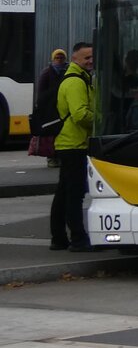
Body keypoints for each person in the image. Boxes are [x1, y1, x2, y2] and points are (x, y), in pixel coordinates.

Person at [49, 41, 98, 252]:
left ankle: (58, 238)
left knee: (64, 193)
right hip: (74, 144)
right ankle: (78, 238)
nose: (90, 61)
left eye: (92, 57)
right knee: (74, 194)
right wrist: (101, 120)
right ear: (75, 58)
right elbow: (80, 115)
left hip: (67, 142)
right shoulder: (76, 82)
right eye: (86, 57)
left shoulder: (78, 78)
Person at [27, 48, 68, 167]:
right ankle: (51, 157)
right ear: (53, 59)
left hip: (62, 107)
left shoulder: (67, 71)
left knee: (61, 133)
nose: (59, 60)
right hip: (50, 109)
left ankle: (59, 157)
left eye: (62, 58)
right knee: (51, 134)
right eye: (57, 58)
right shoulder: (47, 73)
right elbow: (41, 93)